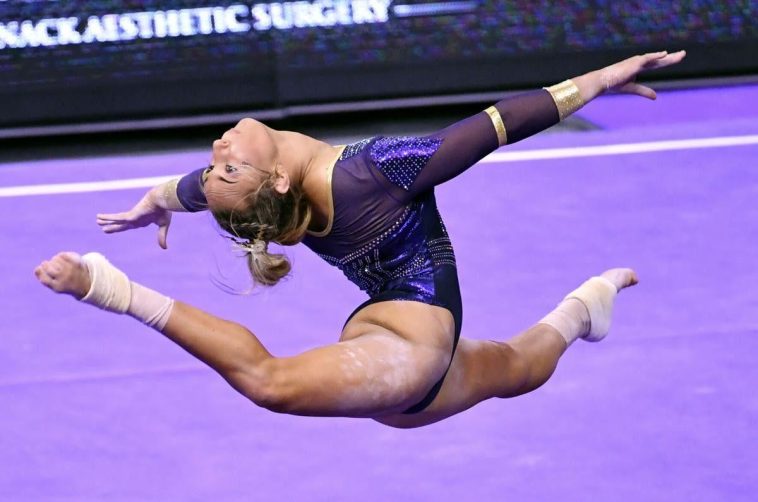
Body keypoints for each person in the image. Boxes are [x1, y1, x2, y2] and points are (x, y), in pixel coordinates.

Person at [35, 51, 686, 428]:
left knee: (517, 369)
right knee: (269, 383)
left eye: (216, 164)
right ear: (276, 179)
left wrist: (157, 200)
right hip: (404, 356)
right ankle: (113, 291)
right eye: (225, 166)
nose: (218, 150)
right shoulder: (373, 173)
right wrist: (601, 80)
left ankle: (581, 310)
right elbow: (496, 126)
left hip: (396, 364)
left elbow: (205, 190)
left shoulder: (269, 197)